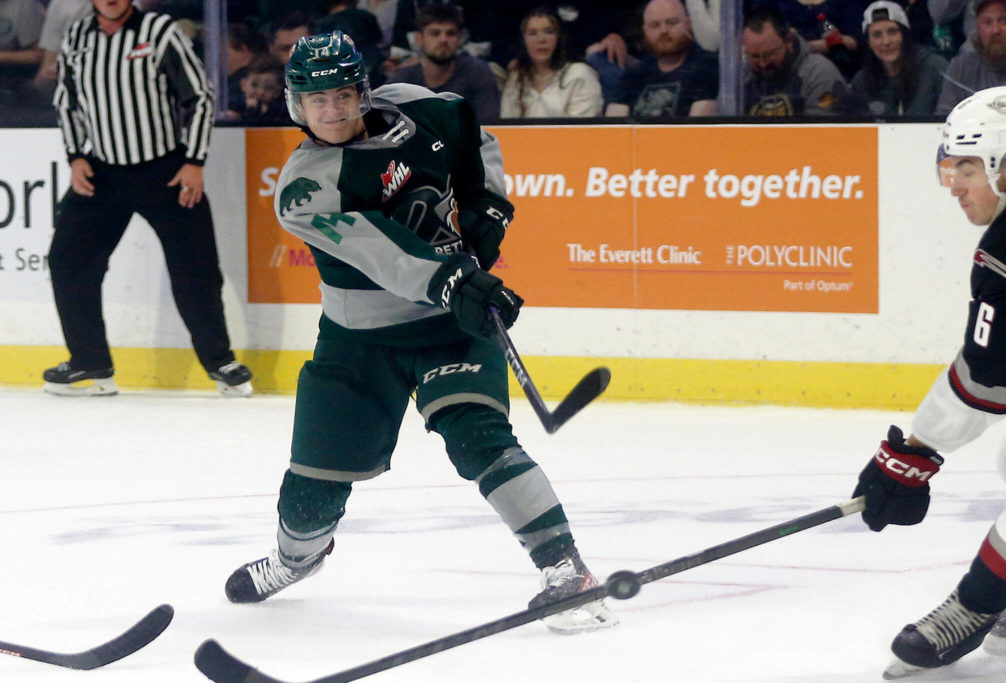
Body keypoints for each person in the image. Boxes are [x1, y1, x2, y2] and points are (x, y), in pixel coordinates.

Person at [222, 30, 617, 635]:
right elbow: (389, 255)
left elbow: (473, 138)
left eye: (342, 96)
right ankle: (296, 560)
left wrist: (488, 209)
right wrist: (459, 280)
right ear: (295, 106)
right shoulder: (304, 189)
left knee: (480, 439)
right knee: (313, 488)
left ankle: (568, 571)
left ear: (363, 90)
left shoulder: (419, 106)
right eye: (315, 101)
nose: (331, 112)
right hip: (360, 343)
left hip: (449, 325)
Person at [851, 85, 1006, 678]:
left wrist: (913, 451)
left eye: (969, 168)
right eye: (951, 167)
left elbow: (990, 384)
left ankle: (973, 606)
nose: (954, 184)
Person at [45, 0, 253, 398]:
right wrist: (75, 156)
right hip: (101, 172)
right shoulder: (77, 35)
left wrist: (194, 160)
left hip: (166, 170)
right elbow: (65, 102)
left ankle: (221, 362)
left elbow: (200, 97)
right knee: (68, 260)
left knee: (196, 269)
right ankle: (90, 363)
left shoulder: (159, 31)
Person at [386, 3, 499, 122]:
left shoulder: (478, 72)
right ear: (419, 39)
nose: (443, 40)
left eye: (450, 33)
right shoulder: (402, 81)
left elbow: (489, 124)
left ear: (459, 38)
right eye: (435, 33)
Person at [605, 0, 718, 118]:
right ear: (645, 31)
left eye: (672, 22)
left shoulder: (707, 67)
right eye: (655, 25)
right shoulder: (635, 74)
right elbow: (614, 124)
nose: (664, 30)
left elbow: (698, 127)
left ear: (688, 24)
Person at [742, 7, 852, 117]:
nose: (763, 64)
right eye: (755, 56)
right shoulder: (742, 76)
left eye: (769, 54)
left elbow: (822, 130)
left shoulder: (820, 74)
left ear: (789, 41)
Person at [500, 7, 602, 118]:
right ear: (523, 41)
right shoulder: (517, 78)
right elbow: (507, 125)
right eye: (532, 33)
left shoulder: (579, 75)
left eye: (549, 32)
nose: (541, 40)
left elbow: (581, 129)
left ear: (560, 38)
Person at [851, 1, 949, 115]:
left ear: (905, 35)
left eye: (892, 32)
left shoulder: (935, 68)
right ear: (869, 42)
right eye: (877, 35)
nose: (886, 41)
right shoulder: (861, 82)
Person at [935, 0, 1006, 114]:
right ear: (977, 26)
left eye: (1004, 21)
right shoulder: (960, 68)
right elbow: (943, 121)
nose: (995, 30)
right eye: (987, 22)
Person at [226, 53, 290, 123]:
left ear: (278, 92)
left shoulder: (281, 110)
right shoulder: (234, 104)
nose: (260, 92)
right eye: (254, 85)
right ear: (243, 85)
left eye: (269, 88)